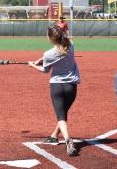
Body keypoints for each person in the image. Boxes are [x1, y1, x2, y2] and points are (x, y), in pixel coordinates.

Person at [28, 25, 80, 156]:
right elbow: (53, 57)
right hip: (72, 86)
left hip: (57, 87)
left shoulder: (48, 54)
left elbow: (45, 70)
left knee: (61, 116)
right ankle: (54, 135)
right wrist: (41, 60)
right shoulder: (70, 45)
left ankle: (68, 140)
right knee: (63, 112)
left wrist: (33, 65)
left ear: (51, 38)